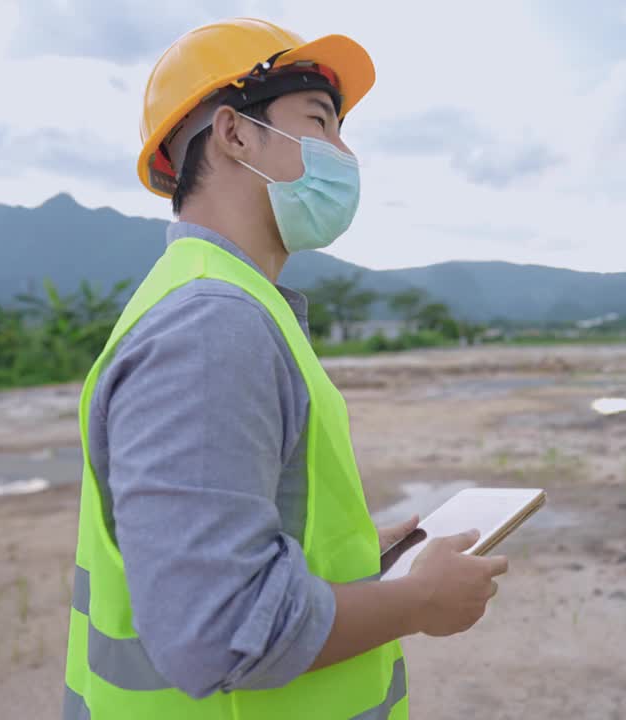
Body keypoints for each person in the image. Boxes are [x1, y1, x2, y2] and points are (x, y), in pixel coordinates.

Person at [62, 18, 507, 719]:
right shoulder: (212, 325)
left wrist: (349, 556)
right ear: (236, 134)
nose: (344, 151)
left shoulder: (213, 298)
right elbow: (218, 632)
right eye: (321, 122)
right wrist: (420, 600)